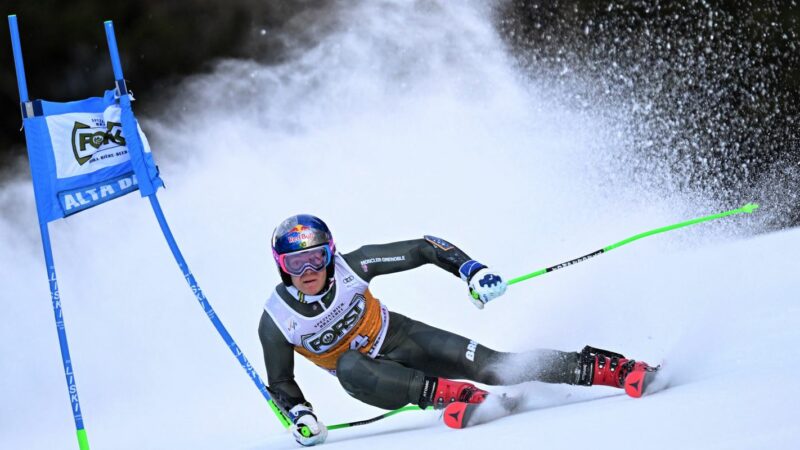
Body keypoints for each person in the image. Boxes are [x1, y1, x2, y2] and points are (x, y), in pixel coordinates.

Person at [259, 214, 656, 446]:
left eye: (316, 259)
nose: (308, 272)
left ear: (331, 255)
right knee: (348, 364)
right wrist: (300, 415)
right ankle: (456, 397)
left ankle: (616, 369)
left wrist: (472, 270)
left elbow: (424, 246)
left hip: (402, 337)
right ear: (282, 266)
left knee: (497, 367)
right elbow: (281, 380)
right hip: (373, 380)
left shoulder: (353, 266)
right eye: (296, 264)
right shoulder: (277, 318)